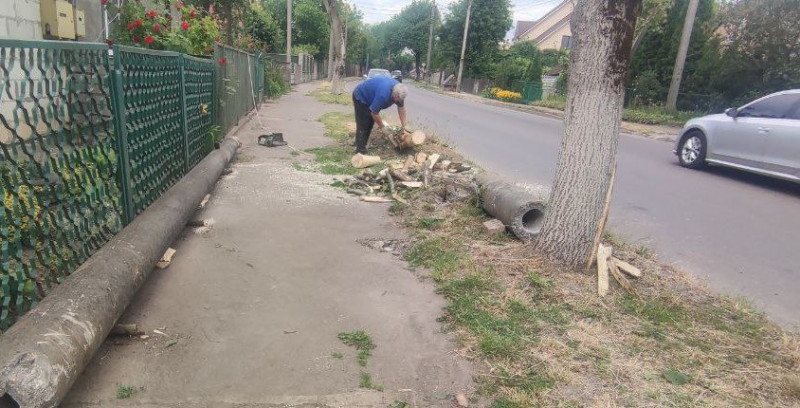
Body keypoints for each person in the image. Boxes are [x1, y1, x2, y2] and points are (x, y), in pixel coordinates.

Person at [351, 76, 408, 154]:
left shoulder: (399, 91)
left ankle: (359, 143)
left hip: (371, 98)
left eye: (400, 99)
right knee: (364, 123)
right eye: (397, 99)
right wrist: (383, 128)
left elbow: (401, 108)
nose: (398, 101)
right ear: (394, 94)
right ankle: (360, 150)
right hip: (361, 97)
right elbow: (374, 113)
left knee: (370, 123)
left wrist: (404, 125)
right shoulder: (383, 95)